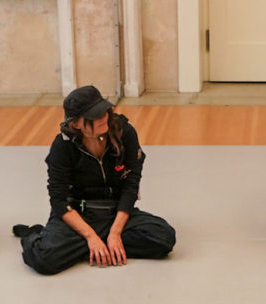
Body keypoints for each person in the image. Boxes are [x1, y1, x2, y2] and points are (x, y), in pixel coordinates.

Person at [14, 86, 176, 275]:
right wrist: (91, 236)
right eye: (94, 115)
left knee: (164, 238)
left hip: (115, 211)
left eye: (104, 111)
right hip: (78, 214)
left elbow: (131, 185)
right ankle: (36, 235)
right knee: (44, 259)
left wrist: (115, 233)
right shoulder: (62, 147)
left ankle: (88, 248)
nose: (103, 117)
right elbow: (58, 200)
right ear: (76, 124)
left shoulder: (125, 133)